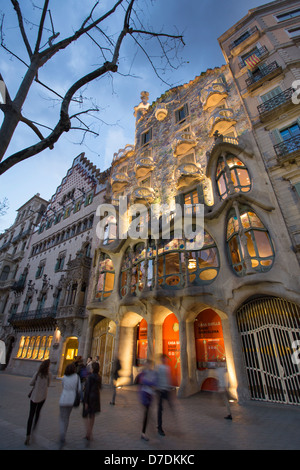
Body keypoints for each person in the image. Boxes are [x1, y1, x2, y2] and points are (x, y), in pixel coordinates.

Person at [25, 359, 51, 445]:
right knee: (37, 413)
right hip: (43, 396)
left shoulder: (37, 373)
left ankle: (27, 435)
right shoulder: (49, 374)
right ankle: (33, 430)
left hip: (34, 396)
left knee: (31, 414)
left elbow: (31, 383)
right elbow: (48, 384)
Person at [59, 362, 81, 449]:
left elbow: (63, 386)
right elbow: (79, 389)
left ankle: (62, 435)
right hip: (71, 399)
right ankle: (63, 434)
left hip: (63, 398)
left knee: (62, 418)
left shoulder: (64, 377)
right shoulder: (76, 377)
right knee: (67, 417)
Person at [82, 361, 102, 443]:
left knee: (85, 415)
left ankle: (89, 433)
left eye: (91, 367)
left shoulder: (90, 377)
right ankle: (89, 433)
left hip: (90, 397)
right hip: (96, 397)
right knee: (92, 415)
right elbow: (100, 387)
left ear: (93, 369)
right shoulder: (99, 377)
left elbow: (87, 390)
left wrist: (85, 401)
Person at [139, 359, 157, 441]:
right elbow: (144, 381)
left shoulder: (152, 372)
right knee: (146, 413)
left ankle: (146, 430)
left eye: (149, 364)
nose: (148, 366)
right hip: (145, 395)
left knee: (148, 413)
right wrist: (150, 383)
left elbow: (154, 382)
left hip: (149, 395)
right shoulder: (143, 373)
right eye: (147, 364)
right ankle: (143, 433)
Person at [156, 354, 172, 436]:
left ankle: (172, 419)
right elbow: (156, 378)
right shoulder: (158, 367)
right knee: (160, 409)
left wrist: (169, 387)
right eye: (164, 359)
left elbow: (168, 378)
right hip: (160, 390)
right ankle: (159, 427)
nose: (165, 360)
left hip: (165, 389)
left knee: (168, 406)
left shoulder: (167, 368)